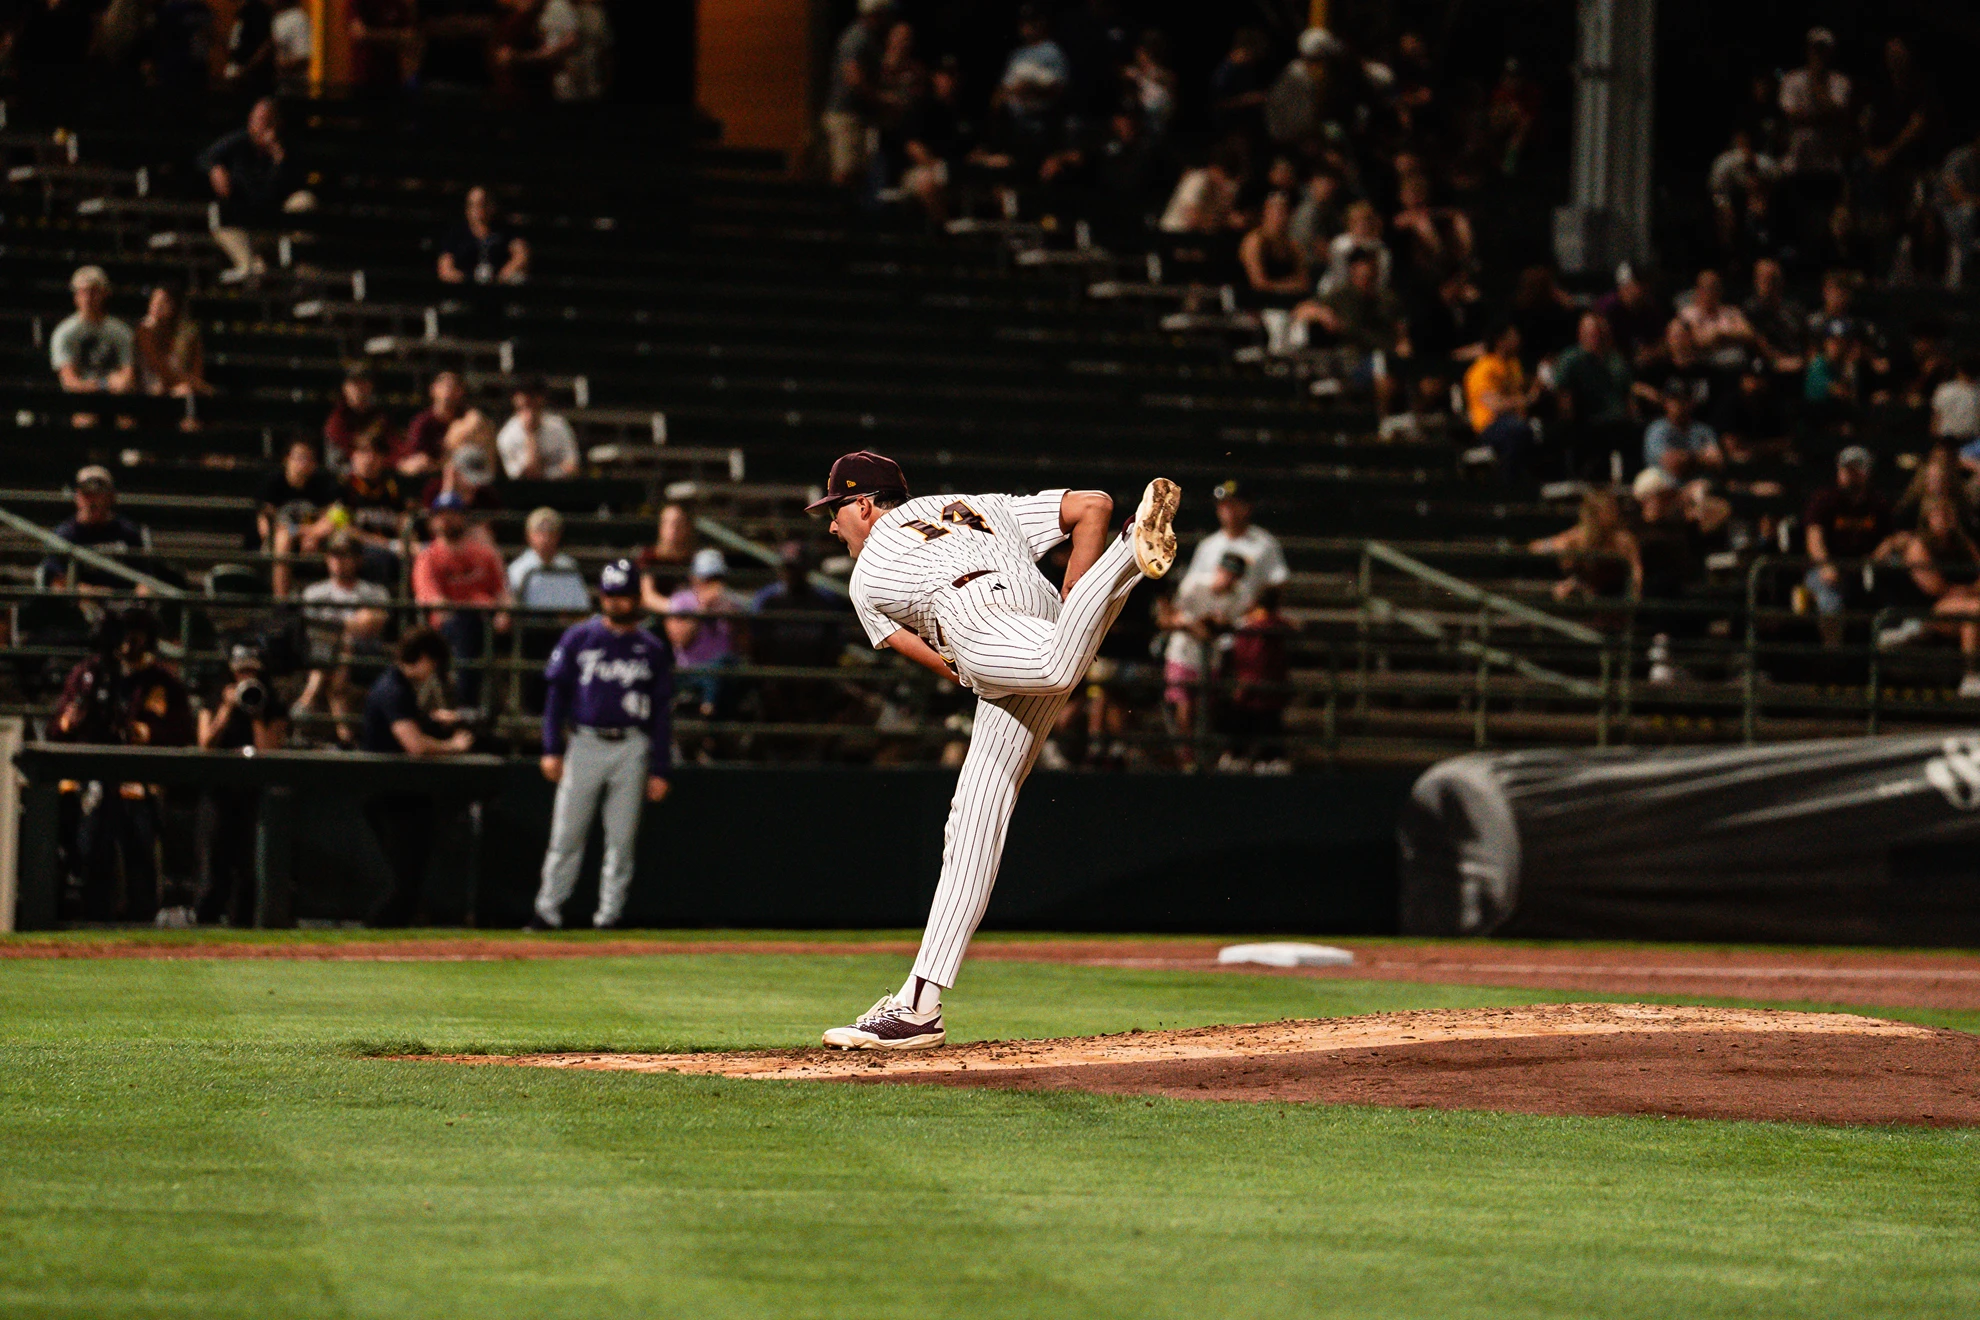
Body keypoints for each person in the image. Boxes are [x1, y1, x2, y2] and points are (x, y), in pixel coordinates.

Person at [813, 454, 1177, 1048]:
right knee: (975, 813)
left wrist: (980, 661)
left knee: (1056, 667)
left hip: (976, 621)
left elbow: (931, 658)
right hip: (1038, 611)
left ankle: (1129, 551)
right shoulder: (972, 504)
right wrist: (1072, 598)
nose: (832, 525)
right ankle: (918, 1005)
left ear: (863, 505)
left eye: (835, 510)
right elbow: (1093, 504)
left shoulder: (865, 573)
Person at [529, 559, 673, 930]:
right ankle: (547, 911)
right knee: (566, 835)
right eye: (611, 595)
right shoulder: (579, 637)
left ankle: (609, 917)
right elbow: (555, 697)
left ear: (636, 598)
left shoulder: (652, 648)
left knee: (621, 840)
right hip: (585, 741)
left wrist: (660, 767)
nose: (616, 602)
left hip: (632, 745)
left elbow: (661, 713)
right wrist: (551, 747)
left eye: (623, 595)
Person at [48, 608, 194, 922]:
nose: (130, 640)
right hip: (88, 774)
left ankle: (141, 915)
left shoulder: (161, 680)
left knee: (139, 848)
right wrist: (69, 723)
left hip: (138, 778)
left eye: (137, 631)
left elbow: (182, 731)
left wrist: (144, 732)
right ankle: (89, 911)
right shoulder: (90, 674)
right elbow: (57, 727)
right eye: (125, 632)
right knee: (88, 847)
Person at [358, 629, 476, 927]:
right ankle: (375, 930)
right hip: (391, 794)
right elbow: (415, 745)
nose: (433, 672)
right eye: (433, 664)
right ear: (423, 658)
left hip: (399, 792)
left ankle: (390, 932)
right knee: (404, 878)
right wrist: (454, 746)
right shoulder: (394, 689)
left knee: (409, 875)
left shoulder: (399, 686)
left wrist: (433, 721)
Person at [193, 643, 287, 926]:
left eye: (252, 672)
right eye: (241, 672)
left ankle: (242, 927)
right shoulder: (215, 698)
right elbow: (205, 744)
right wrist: (226, 708)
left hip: (253, 794)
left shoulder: (272, 704)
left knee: (247, 868)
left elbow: (269, 751)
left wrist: (256, 713)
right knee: (213, 863)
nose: (246, 677)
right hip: (218, 790)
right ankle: (204, 924)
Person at [412, 492, 512, 708]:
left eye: (452, 513)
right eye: (441, 515)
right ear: (433, 521)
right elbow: (432, 599)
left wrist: (504, 613)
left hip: (488, 622)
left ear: (463, 517)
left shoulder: (485, 554)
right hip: (448, 627)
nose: (446, 519)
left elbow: (503, 592)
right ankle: (466, 708)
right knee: (463, 627)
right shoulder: (428, 557)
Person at [295, 531, 392, 746]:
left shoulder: (375, 592)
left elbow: (375, 624)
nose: (338, 561)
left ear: (358, 560)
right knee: (336, 648)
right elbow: (309, 631)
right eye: (334, 555)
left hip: (365, 654)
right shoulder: (314, 593)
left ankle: (308, 698)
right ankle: (345, 735)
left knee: (341, 643)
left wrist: (337, 629)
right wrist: (349, 626)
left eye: (344, 555)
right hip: (322, 654)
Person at [198, 99, 307, 278]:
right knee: (219, 220)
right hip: (245, 223)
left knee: (304, 201)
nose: (262, 127)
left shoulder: (286, 150)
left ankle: (303, 265)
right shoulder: (239, 142)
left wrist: (279, 162)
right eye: (258, 120)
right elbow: (205, 157)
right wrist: (215, 168)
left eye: (268, 121)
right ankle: (252, 267)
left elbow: (284, 189)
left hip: (277, 223)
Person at [1158, 551, 1252, 751]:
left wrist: (1220, 624)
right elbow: (1173, 614)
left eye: (1233, 576)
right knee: (1183, 706)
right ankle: (1186, 755)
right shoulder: (1195, 584)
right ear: (1218, 569)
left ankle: (1199, 753)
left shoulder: (1239, 596)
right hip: (1183, 653)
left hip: (1211, 657)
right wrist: (1195, 626)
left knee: (1205, 709)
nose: (1228, 579)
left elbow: (1235, 623)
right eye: (1226, 573)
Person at [1804, 446, 1894, 647]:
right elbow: (1814, 538)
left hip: (1865, 569)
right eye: (1846, 469)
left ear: (1867, 472)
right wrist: (1825, 565)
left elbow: (1890, 538)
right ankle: (1834, 654)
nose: (1850, 474)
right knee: (1830, 602)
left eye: (1856, 469)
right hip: (1829, 568)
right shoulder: (1824, 499)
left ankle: (1880, 653)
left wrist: (1877, 557)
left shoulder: (1878, 502)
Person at [664, 548, 748, 719]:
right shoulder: (681, 601)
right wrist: (702, 610)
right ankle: (709, 707)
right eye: (707, 579)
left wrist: (737, 621)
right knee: (717, 669)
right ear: (694, 578)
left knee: (729, 664)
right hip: (692, 670)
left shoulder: (732, 605)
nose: (713, 585)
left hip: (727, 669)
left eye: (717, 579)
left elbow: (745, 646)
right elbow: (679, 640)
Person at [1551, 312, 1635, 479]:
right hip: (1584, 418)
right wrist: (1568, 419)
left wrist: (1632, 414)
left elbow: (1627, 391)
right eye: (1589, 333)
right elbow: (1563, 393)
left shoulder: (1615, 359)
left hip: (1615, 417)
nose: (1594, 337)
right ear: (1580, 334)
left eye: (1597, 333)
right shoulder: (1570, 359)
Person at [43, 467, 151, 592]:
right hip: (80, 600)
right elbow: (57, 583)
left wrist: (141, 595)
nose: (92, 501)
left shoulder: (128, 532)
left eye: (99, 494)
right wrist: (90, 592)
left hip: (123, 599)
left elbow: (144, 578)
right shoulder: (64, 534)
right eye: (87, 494)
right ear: (77, 496)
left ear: (111, 497)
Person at [1182, 480, 1289, 601]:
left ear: (1247, 507)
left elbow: (1278, 581)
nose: (1228, 510)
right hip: (1210, 609)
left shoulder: (1264, 543)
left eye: (1233, 504)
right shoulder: (1207, 546)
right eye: (1223, 505)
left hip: (1249, 610)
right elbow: (1190, 584)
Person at [822, 0, 891, 186]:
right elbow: (853, 77)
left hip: (859, 116)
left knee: (858, 172)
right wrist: (880, 98)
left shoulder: (870, 37)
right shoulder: (856, 38)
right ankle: (838, 204)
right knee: (845, 172)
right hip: (846, 116)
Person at [1529, 489, 1641, 603]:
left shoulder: (1624, 541)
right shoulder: (1576, 538)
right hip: (1583, 594)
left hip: (1614, 597)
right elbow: (1537, 547)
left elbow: (1636, 573)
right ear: (1594, 513)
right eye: (1609, 510)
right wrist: (1560, 548)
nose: (1614, 514)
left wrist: (1634, 598)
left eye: (1614, 509)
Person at [1463, 323, 1537, 479]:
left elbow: (1522, 388)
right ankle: (1508, 484)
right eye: (1513, 336)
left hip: (1518, 419)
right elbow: (1494, 405)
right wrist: (1526, 400)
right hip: (1489, 425)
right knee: (1517, 431)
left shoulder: (1513, 364)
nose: (1518, 339)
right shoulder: (1482, 368)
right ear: (1500, 341)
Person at [50, 266, 135, 398]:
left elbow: (128, 375)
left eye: (94, 292)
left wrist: (119, 383)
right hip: (80, 400)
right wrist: (104, 384)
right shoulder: (64, 333)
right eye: (83, 292)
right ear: (75, 296)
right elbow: (69, 382)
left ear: (105, 293)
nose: (88, 298)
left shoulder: (121, 332)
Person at [437, 186, 530, 286]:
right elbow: (445, 268)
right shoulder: (456, 234)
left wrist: (501, 277)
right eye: (473, 205)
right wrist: (468, 280)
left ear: (492, 206)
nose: (478, 209)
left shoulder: (505, 231)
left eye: (482, 204)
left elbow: (521, 255)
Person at [132, 286, 209, 399]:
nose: (156, 306)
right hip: (150, 387)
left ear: (174, 305)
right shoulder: (144, 331)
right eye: (154, 300)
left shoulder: (188, 333)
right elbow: (157, 366)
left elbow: (197, 368)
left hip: (183, 388)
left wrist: (190, 385)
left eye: (163, 301)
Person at [495, 379, 579, 480]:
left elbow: (572, 467)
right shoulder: (506, 436)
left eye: (533, 396)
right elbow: (530, 474)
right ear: (515, 400)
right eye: (525, 396)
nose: (529, 400)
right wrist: (530, 434)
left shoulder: (559, 425)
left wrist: (545, 473)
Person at [508, 507, 590, 609]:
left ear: (558, 535)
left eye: (551, 532)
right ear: (528, 534)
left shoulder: (569, 566)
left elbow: (582, 605)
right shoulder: (517, 569)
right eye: (539, 531)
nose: (545, 538)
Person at [1237, 192, 1309, 306]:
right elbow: (1259, 283)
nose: (1280, 216)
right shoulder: (1254, 241)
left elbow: (1304, 282)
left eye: (1284, 211)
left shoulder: (1292, 245)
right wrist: (1289, 285)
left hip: (1288, 302)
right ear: (1265, 212)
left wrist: (1277, 286)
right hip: (1257, 303)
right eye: (1276, 211)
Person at [323, 366, 399, 471]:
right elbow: (339, 459)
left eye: (363, 383)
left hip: (378, 468)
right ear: (345, 388)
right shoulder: (337, 419)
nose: (359, 389)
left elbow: (393, 445)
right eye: (354, 384)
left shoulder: (379, 415)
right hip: (345, 471)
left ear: (370, 386)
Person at [1643, 381, 1721, 480]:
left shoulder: (1703, 430)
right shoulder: (1657, 429)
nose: (1679, 404)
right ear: (1666, 403)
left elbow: (1717, 461)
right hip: (1665, 481)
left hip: (1696, 481)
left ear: (1692, 403)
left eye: (1684, 399)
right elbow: (1672, 463)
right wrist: (1700, 457)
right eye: (1674, 400)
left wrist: (1684, 458)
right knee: (1648, 480)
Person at [398, 372, 469, 479]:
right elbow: (414, 458)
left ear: (460, 392)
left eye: (453, 386)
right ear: (433, 389)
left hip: (461, 474)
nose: (448, 390)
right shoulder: (422, 422)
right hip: (430, 475)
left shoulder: (466, 420)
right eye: (444, 385)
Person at [637, 503, 698, 609]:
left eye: (678, 523)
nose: (673, 528)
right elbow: (647, 596)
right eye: (667, 522)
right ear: (660, 527)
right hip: (658, 614)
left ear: (686, 527)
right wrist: (675, 607)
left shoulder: (695, 559)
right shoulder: (649, 557)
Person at [1934, 357, 1980, 445]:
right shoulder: (1944, 389)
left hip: (1971, 439)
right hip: (1948, 438)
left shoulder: (1944, 389)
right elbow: (1937, 415)